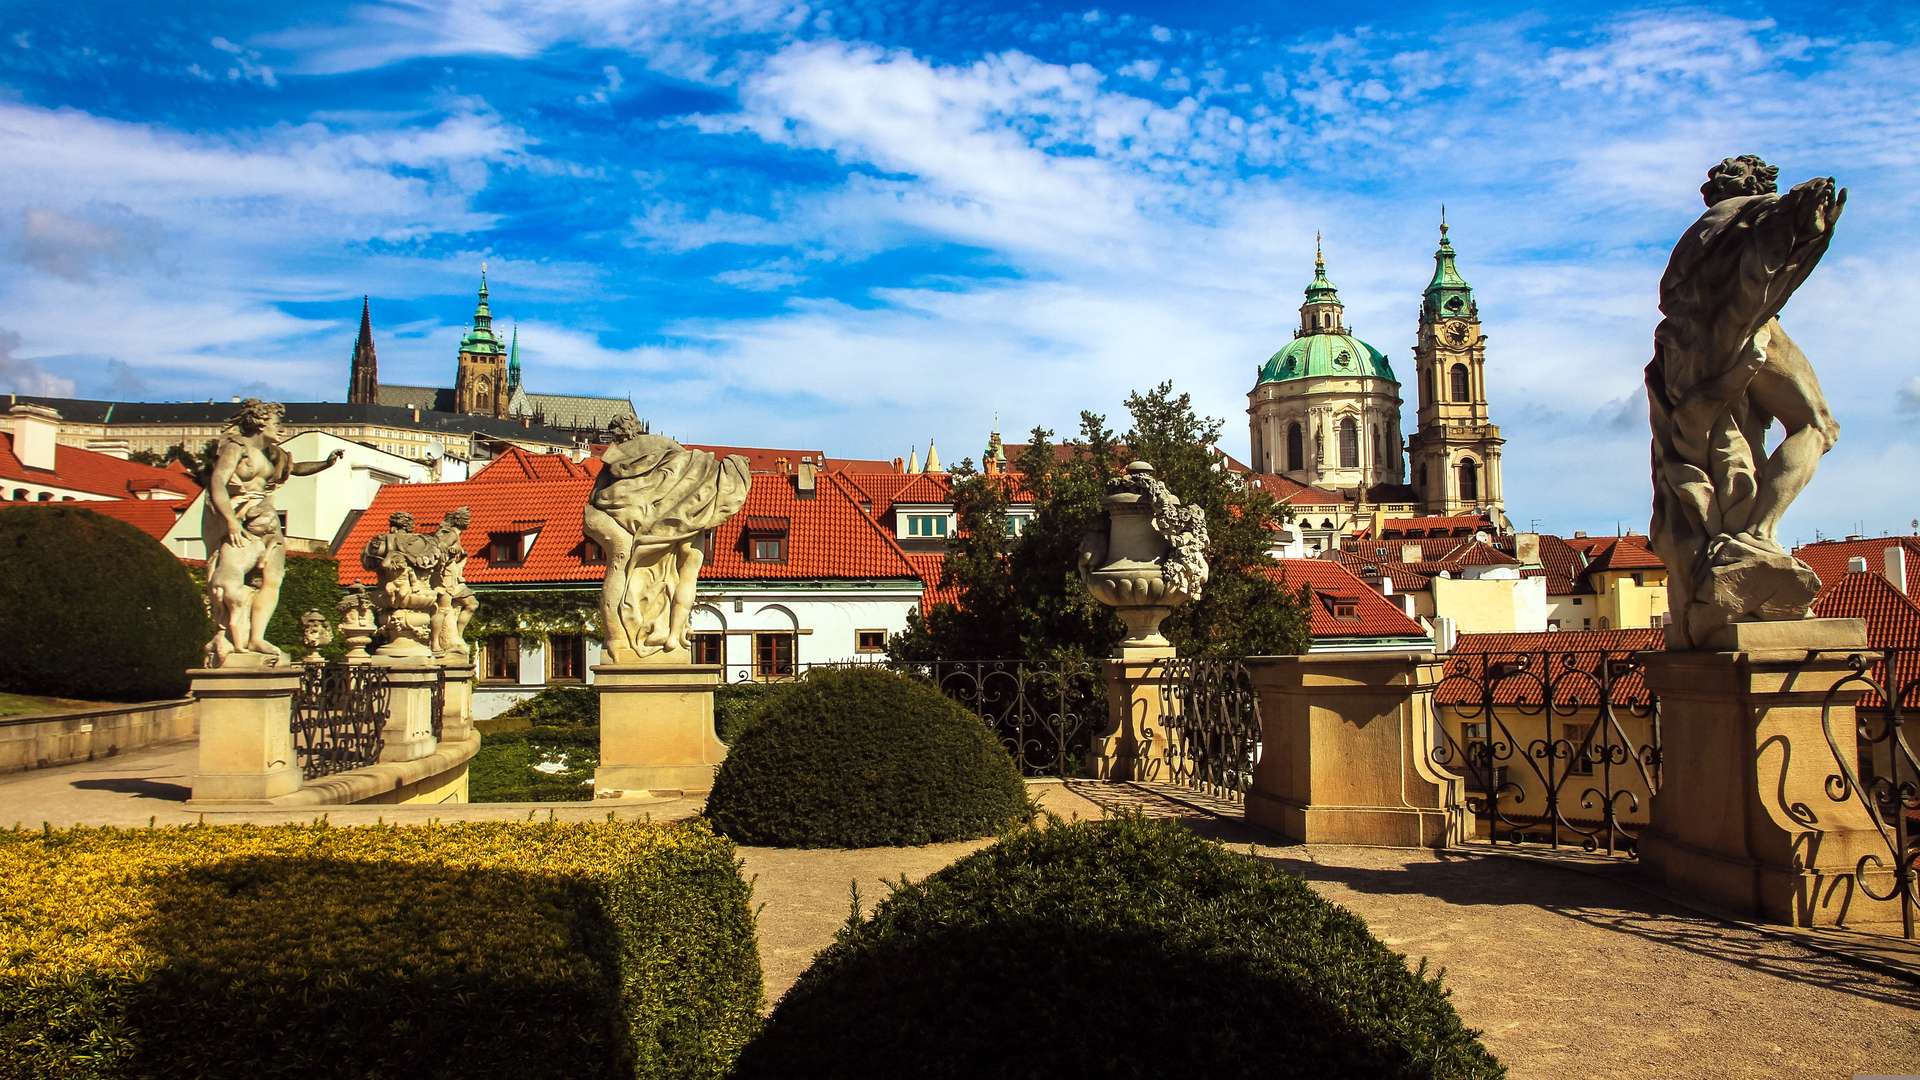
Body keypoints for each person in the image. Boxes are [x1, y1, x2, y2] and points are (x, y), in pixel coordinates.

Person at [583, 418, 750, 662]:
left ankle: (621, 638)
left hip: (633, 523)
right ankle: (669, 634)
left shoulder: (615, 460)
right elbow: (690, 461)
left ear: (617, 434)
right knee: (684, 573)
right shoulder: (662, 446)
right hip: (677, 521)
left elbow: (597, 496)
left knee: (627, 568)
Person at [203, 400, 344, 665]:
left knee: (273, 580)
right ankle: (229, 636)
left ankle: (257, 636)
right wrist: (231, 522)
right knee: (232, 577)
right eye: (277, 423)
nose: (282, 428)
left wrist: (326, 464)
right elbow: (218, 483)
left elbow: (297, 468)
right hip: (242, 516)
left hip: (267, 518)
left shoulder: (273, 454)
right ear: (259, 422)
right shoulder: (236, 447)